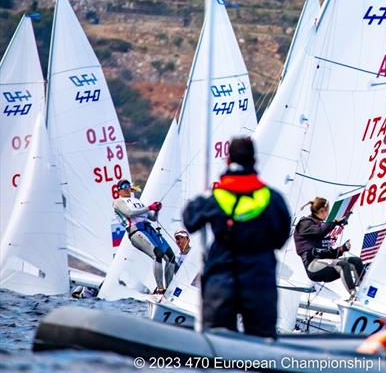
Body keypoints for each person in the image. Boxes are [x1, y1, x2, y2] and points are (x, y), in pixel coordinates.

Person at [183, 136, 291, 337]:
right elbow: (281, 239)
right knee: (262, 344)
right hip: (260, 281)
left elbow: (190, 220)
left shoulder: (214, 197)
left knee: (217, 343)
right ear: (254, 161)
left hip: (222, 280)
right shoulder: (273, 199)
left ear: (228, 161)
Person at [113, 179, 177, 294]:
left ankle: (169, 289)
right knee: (157, 254)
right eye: (124, 187)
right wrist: (149, 207)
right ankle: (160, 289)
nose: (127, 188)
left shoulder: (137, 201)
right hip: (136, 231)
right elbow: (129, 213)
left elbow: (152, 218)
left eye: (128, 186)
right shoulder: (118, 201)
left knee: (171, 257)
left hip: (148, 229)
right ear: (119, 191)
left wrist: (156, 210)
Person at [293, 197, 364, 296]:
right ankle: (354, 296)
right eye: (328, 210)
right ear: (322, 210)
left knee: (356, 261)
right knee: (343, 265)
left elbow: (326, 253)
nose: (328, 213)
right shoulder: (304, 223)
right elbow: (319, 232)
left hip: (327, 263)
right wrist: (334, 223)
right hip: (313, 266)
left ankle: (363, 293)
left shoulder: (322, 225)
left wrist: (342, 249)